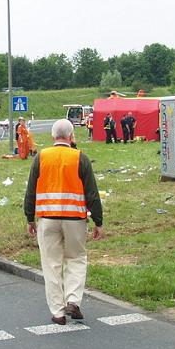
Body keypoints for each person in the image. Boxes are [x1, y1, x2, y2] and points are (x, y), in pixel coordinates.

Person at [24, 119, 104, 324]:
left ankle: (58, 313)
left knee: (51, 265)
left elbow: (31, 190)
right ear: (71, 136)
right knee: (76, 259)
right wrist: (98, 221)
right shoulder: (80, 158)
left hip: (47, 219)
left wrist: (29, 218)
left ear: (53, 136)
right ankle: (73, 300)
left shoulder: (41, 157)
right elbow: (92, 193)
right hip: (75, 220)